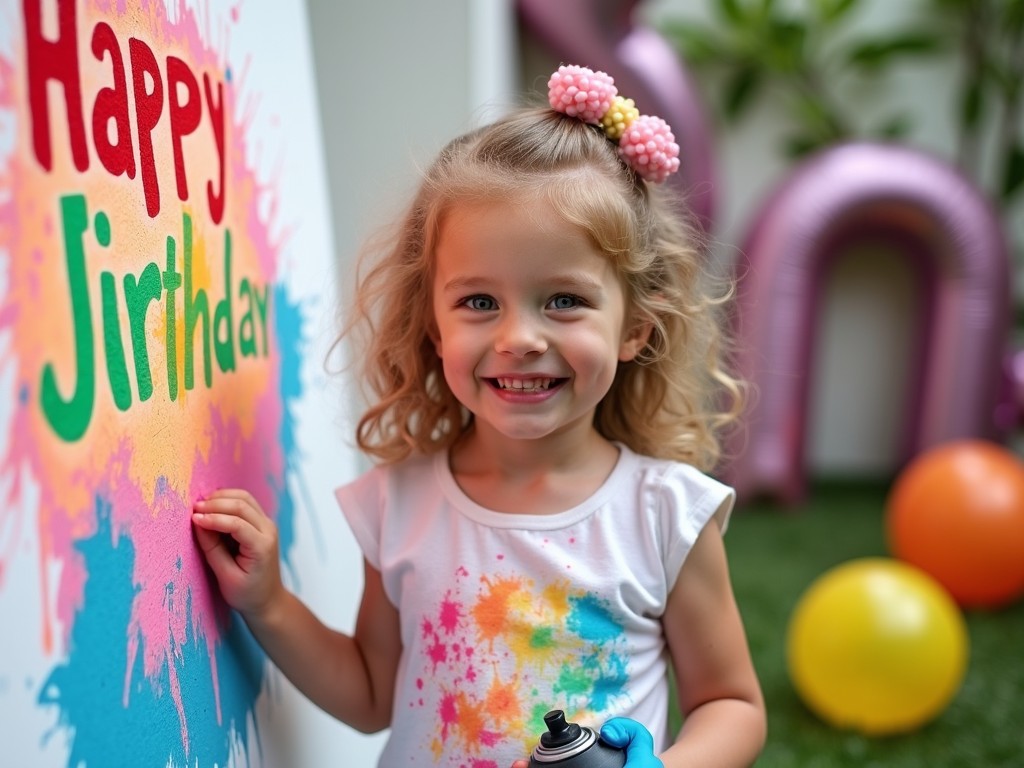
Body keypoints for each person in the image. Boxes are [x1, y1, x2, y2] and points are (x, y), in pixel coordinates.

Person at [192, 64, 767, 767]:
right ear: (434, 327)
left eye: (563, 300)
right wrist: (270, 603)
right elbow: (373, 695)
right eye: (478, 302)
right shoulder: (398, 504)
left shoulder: (666, 516)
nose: (519, 337)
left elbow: (731, 706)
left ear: (635, 328)